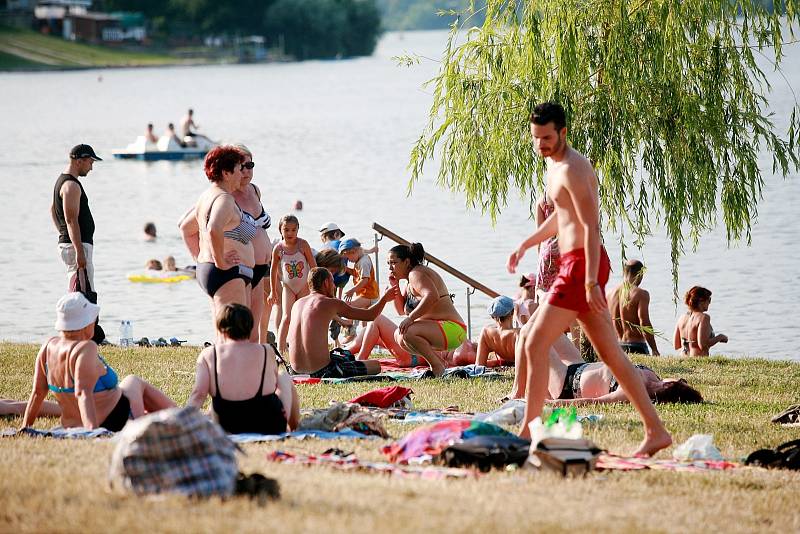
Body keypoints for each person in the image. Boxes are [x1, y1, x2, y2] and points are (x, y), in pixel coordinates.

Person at [507, 102, 671, 456]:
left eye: (547, 138)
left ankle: (526, 433)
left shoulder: (573, 169)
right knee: (611, 354)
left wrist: (592, 284)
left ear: (563, 132)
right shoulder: (553, 164)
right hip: (576, 266)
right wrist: (526, 243)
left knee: (535, 341)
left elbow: (589, 227)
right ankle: (656, 431)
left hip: (581, 268)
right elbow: (560, 218)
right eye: (536, 139)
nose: (541, 145)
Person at [22, 293, 175, 431]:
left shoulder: (48, 346)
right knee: (133, 381)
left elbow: (38, 393)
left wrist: (26, 426)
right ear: (86, 324)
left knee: (132, 384)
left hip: (73, 423)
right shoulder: (85, 348)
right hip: (115, 419)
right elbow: (83, 394)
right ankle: (182, 418)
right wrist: (92, 432)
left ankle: (176, 418)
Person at [187, 304, 299, 434]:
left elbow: (198, 394)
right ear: (250, 327)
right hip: (269, 425)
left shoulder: (208, 354)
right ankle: (293, 428)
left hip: (226, 426)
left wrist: (184, 423)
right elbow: (273, 385)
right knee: (283, 377)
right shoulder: (266, 350)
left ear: (220, 327)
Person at [179, 145, 255, 319]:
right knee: (234, 334)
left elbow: (187, 228)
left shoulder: (206, 196)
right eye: (238, 169)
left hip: (211, 269)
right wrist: (220, 262)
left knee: (224, 331)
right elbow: (214, 228)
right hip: (225, 273)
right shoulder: (224, 199)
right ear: (226, 173)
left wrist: (200, 259)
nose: (242, 174)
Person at [287, 268, 397, 378]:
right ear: (326, 283)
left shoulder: (297, 304)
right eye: (332, 282)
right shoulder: (330, 303)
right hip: (322, 371)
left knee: (345, 356)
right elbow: (370, 315)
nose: (334, 286)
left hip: (295, 371)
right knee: (375, 365)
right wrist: (384, 298)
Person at [388, 243, 466, 376]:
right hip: (440, 330)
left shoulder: (416, 273)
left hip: (453, 329)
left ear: (407, 262)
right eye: (388, 263)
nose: (390, 268)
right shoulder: (408, 281)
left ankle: (437, 366)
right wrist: (394, 286)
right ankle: (440, 361)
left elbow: (432, 296)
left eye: (393, 263)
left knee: (408, 332)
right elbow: (401, 311)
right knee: (399, 335)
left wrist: (411, 318)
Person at [230, 144, 274, 342]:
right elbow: (207, 229)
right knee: (241, 326)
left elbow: (260, 229)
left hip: (262, 267)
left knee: (256, 326)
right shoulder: (227, 196)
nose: (246, 170)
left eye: (250, 165)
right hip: (242, 267)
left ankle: (254, 369)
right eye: (242, 166)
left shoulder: (255, 191)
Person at [544, 353, 703, 406]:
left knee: (533, 334)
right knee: (551, 322)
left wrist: (553, 404)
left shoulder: (632, 392)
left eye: (681, 380)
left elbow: (595, 402)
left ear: (669, 385)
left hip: (566, 381)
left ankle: (518, 391)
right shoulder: (652, 377)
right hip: (579, 365)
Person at [52, 144, 101, 289]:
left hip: (74, 244)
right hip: (78, 247)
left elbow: (52, 209)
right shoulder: (71, 185)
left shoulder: (64, 182)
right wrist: (79, 251)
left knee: (80, 293)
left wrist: (64, 233)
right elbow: (71, 220)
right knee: (85, 297)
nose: (91, 168)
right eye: (90, 162)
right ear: (79, 161)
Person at [346, 314, 477, 367]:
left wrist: (497, 362)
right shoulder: (467, 344)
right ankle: (344, 353)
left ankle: (361, 361)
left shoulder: (467, 352)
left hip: (412, 355)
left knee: (377, 320)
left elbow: (476, 362)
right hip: (411, 352)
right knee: (368, 332)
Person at [270, 215, 316, 353]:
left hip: (304, 287)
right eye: (286, 230)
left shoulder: (303, 245)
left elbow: (314, 267)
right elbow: (272, 271)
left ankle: (304, 346)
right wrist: (273, 291)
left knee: (304, 317)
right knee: (287, 317)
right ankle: (281, 348)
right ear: (280, 230)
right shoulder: (278, 249)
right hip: (288, 287)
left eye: (293, 230)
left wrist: (316, 287)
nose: (290, 233)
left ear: (298, 230)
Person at [607, 259, 660, 355]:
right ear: (640, 274)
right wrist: (654, 349)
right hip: (636, 346)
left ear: (624, 272)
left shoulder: (610, 294)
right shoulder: (641, 294)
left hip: (617, 346)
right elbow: (644, 322)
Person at [673, 286, 728, 356]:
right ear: (701, 301)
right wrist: (720, 337)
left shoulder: (681, 318)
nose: (709, 303)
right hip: (697, 358)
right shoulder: (704, 317)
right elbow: (703, 345)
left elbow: (676, 345)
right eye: (709, 300)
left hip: (683, 358)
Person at [340, 239, 379, 308]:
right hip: (363, 294)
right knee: (360, 315)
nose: (349, 261)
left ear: (354, 252)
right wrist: (346, 268)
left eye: (348, 259)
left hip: (369, 295)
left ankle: (344, 319)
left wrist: (352, 290)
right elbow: (356, 274)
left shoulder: (364, 263)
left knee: (348, 307)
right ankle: (349, 319)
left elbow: (364, 280)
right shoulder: (359, 258)